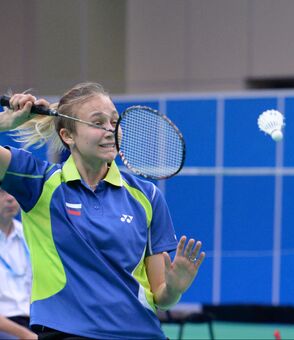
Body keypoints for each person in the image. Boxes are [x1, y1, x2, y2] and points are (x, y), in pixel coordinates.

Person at [0, 83, 206, 339]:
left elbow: (162, 297)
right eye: (98, 123)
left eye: (114, 121)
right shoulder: (39, 182)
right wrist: (4, 124)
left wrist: (174, 288)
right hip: (66, 332)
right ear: (68, 135)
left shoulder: (147, 196)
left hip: (140, 333)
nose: (110, 130)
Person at [0, 188, 37, 339]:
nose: (10, 198)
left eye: (12, 191)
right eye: (2, 192)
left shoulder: (28, 234)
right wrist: (26, 335)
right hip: (7, 327)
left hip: (33, 322)